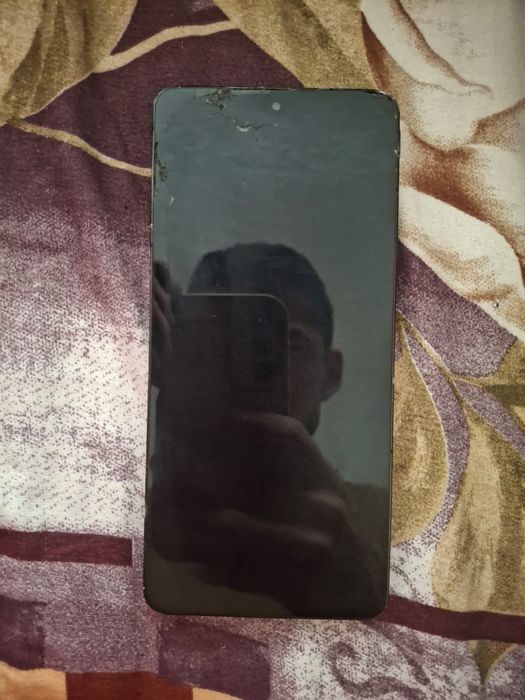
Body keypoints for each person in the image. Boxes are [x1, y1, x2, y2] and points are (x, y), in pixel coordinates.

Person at [148, 243, 387, 618]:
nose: (247, 366)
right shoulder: (131, 516)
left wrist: (362, 594)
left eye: (287, 342)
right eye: (219, 342)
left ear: (331, 374)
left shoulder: (388, 520)